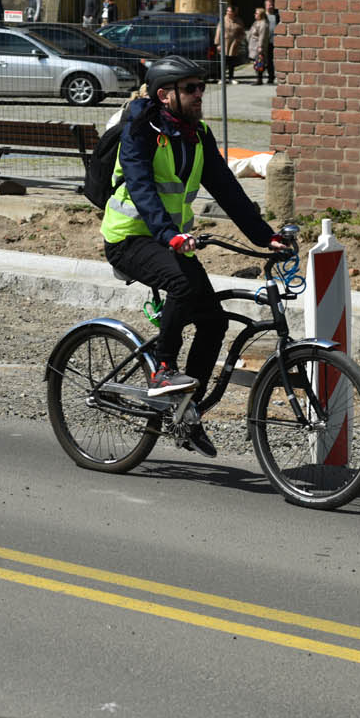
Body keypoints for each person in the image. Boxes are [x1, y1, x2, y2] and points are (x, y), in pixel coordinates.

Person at [99, 55, 290, 457]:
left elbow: (228, 190)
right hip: (129, 238)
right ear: (165, 94)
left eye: (201, 87)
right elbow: (141, 185)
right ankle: (163, 370)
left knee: (214, 321)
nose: (200, 94)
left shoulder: (196, 135)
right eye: (190, 88)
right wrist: (170, 235)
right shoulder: (140, 128)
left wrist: (265, 236)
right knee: (183, 284)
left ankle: (186, 415)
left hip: (169, 239)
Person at [214, 4, 245, 82]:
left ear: (234, 13)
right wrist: (218, 44)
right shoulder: (223, 20)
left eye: (230, 11)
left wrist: (238, 40)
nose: (228, 12)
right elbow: (218, 32)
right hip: (224, 43)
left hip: (233, 44)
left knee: (232, 61)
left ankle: (231, 78)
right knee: (223, 61)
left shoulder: (239, 21)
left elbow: (242, 33)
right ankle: (222, 78)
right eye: (227, 11)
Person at [246, 5, 272, 86]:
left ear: (261, 14)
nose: (255, 14)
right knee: (257, 63)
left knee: (259, 63)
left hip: (258, 47)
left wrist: (260, 47)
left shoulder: (263, 24)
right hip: (253, 46)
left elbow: (262, 36)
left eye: (256, 13)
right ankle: (259, 78)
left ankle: (259, 79)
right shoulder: (256, 22)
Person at [264, 0, 279, 84]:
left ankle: (273, 76)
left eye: (272, 4)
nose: (271, 6)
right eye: (269, 5)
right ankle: (268, 77)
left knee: (274, 60)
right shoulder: (263, 16)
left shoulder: (277, 15)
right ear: (265, 6)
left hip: (275, 41)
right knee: (267, 61)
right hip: (266, 42)